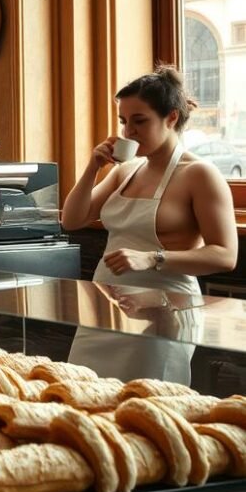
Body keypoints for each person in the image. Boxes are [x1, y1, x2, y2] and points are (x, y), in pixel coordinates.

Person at [61, 66, 236, 382]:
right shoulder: (124, 171)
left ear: (171, 118)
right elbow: (71, 220)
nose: (128, 132)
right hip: (105, 306)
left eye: (140, 121)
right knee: (83, 401)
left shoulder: (200, 175)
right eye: (124, 122)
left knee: (146, 407)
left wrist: (153, 258)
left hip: (165, 308)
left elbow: (225, 255)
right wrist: (92, 167)